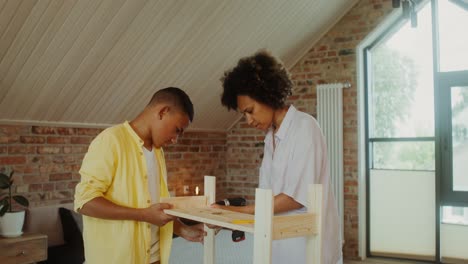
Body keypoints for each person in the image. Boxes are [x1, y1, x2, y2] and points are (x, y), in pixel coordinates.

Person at [214, 50, 342, 264]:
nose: (248, 120)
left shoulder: (304, 127)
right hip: (279, 238)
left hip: (306, 243)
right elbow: (270, 195)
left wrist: (236, 212)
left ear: (267, 96)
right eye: (244, 114)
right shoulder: (271, 137)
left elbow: (294, 197)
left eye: (250, 110)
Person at [74, 87, 205, 264]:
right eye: (177, 130)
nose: (176, 139)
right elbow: (84, 202)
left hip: (155, 258)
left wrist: (184, 230)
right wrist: (143, 215)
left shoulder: (158, 152)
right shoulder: (111, 140)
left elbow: (153, 209)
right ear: (163, 112)